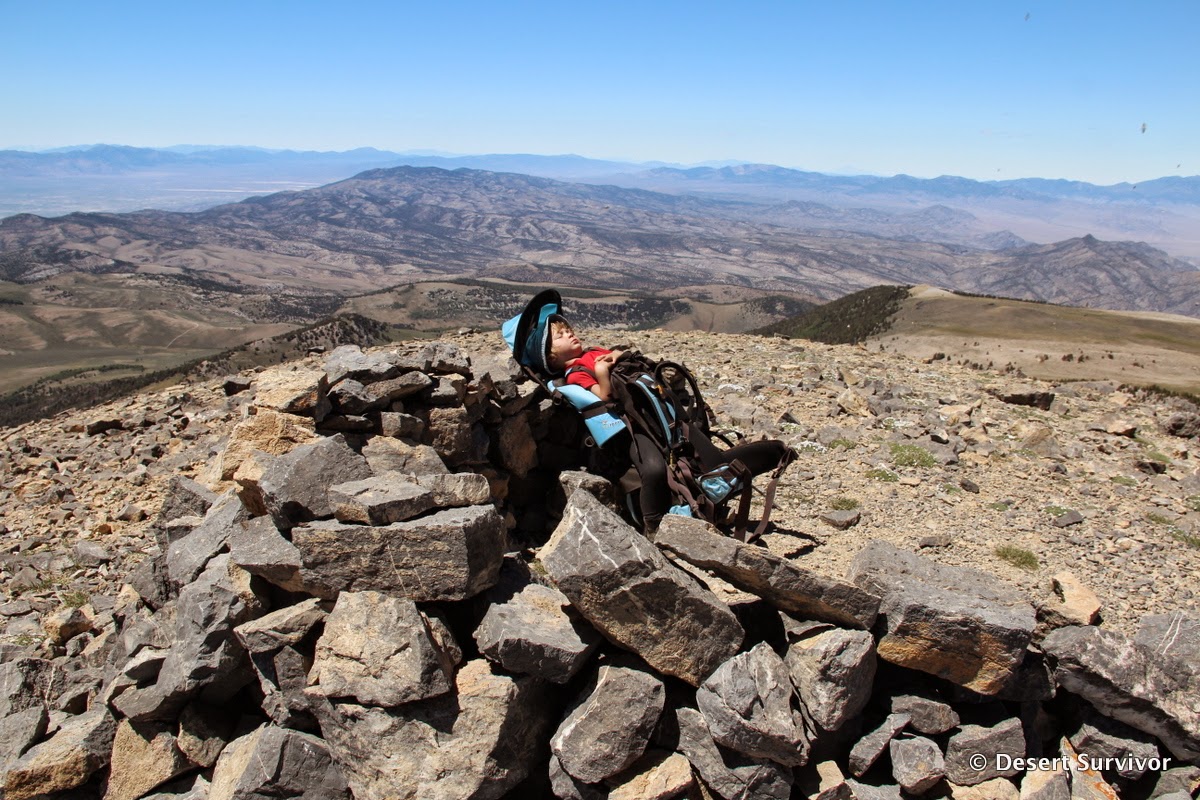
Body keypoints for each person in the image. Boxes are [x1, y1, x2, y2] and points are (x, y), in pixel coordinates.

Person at [544, 315, 792, 533]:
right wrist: (601, 371)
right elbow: (603, 395)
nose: (570, 334)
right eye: (561, 335)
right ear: (551, 356)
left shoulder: (594, 350)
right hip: (634, 425)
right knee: (653, 469)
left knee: (712, 460)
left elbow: (623, 357)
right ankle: (654, 526)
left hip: (661, 413)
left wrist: (617, 355)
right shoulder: (574, 372)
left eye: (569, 330)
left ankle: (760, 463)